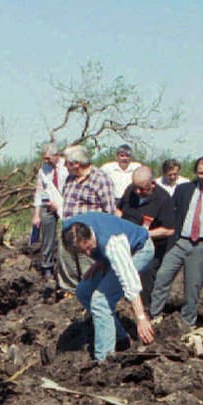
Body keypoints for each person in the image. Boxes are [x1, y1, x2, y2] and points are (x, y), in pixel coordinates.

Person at [148, 155, 203, 328]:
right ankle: (154, 316)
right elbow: (169, 213)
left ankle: (187, 324)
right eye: (201, 173)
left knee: (192, 288)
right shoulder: (183, 189)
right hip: (179, 242)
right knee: (161, 278)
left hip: (202, 246)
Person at [62, 212, 156, 361]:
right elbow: (89, 246)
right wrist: (100, 261)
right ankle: (120, 338)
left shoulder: (112, 242)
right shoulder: (69, 228)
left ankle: (104, 361)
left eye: (89, 248)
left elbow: (129, 280)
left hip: (138, 250)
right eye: (83, 252)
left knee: (100, 302)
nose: (88, 253)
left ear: (90, 235)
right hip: (110, 255)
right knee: (83, 291)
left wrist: (141, 318)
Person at [50, 144, 116, 290]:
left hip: (87, 235)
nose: (65, 166)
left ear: (76, 164)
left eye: (66, 163)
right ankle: (70, 294)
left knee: (89, 269)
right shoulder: (70, 179)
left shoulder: (100, 179)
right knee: (68, 266)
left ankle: (90, 295)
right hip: (68, 231)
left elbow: (110, 211)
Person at [118, 166, 176, 303]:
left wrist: (143, 234)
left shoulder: (163, 199)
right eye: (136, 187)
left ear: (152, 184)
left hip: (150, 247)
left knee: (143, 280)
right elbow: (119, 210)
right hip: (126, 243)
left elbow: (168, 230)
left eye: (142, 189)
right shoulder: (130, 190)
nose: (137, 191)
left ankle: (143, 311)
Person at [31, 143, 68, 282]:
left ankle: (67, 268)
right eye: (44, 158)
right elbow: (39, 192)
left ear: (56, 155)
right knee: (47, 233)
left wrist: (60, 204)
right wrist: (36, 215)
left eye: (48, 158)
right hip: (49, 205)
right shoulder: (43, 170)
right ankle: (47, 266)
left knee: (68, 234)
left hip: (66, 204)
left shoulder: (67, 167)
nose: (46, 161)